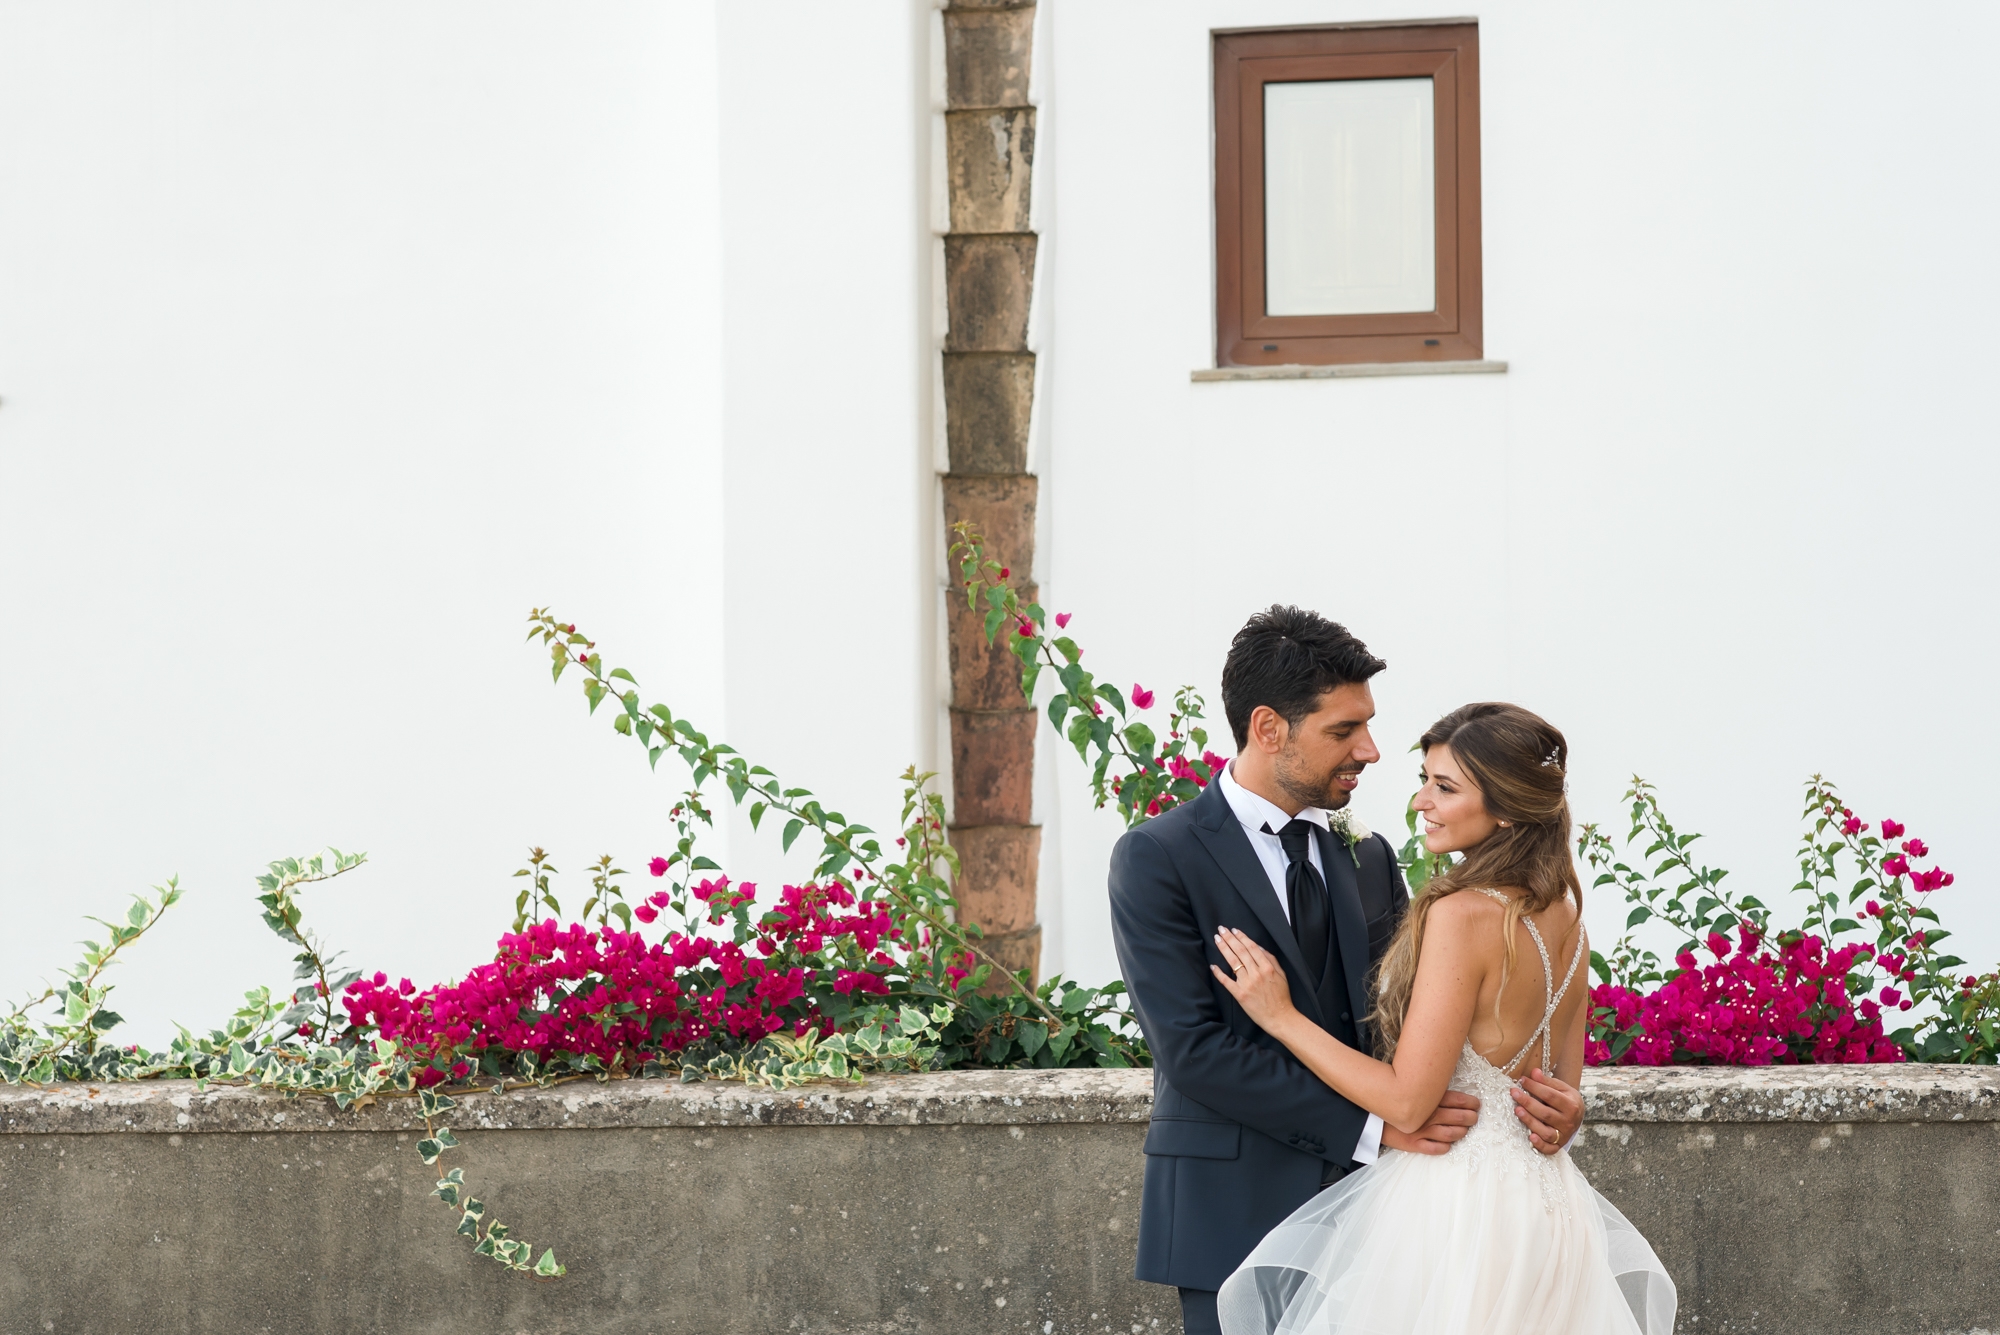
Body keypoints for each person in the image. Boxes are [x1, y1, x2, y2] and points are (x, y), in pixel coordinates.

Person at [1108, 608, 1590, 1335]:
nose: (1369, 750)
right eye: (1343, 730)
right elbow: (1193, 1050)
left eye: (1368, 725)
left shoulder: (1367, 856)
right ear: (1269, 728)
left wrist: (1551, 1098)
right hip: (1230, 1214)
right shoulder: (1158, 857)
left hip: (1391, 1220)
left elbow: (1413, 1021)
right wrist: (1375, 1126)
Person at [1209, 701, 1676, 1334]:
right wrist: (1567, 1110)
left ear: (1506, 807)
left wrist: (1282, 1015)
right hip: (1549, 1207)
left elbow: (1406, 1102)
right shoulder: (1566, 915)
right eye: (1425, 779)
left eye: (1445, 787)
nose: (1420, 802)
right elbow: (1561, 1090)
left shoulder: (1463, 915)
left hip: (1457, 1213)